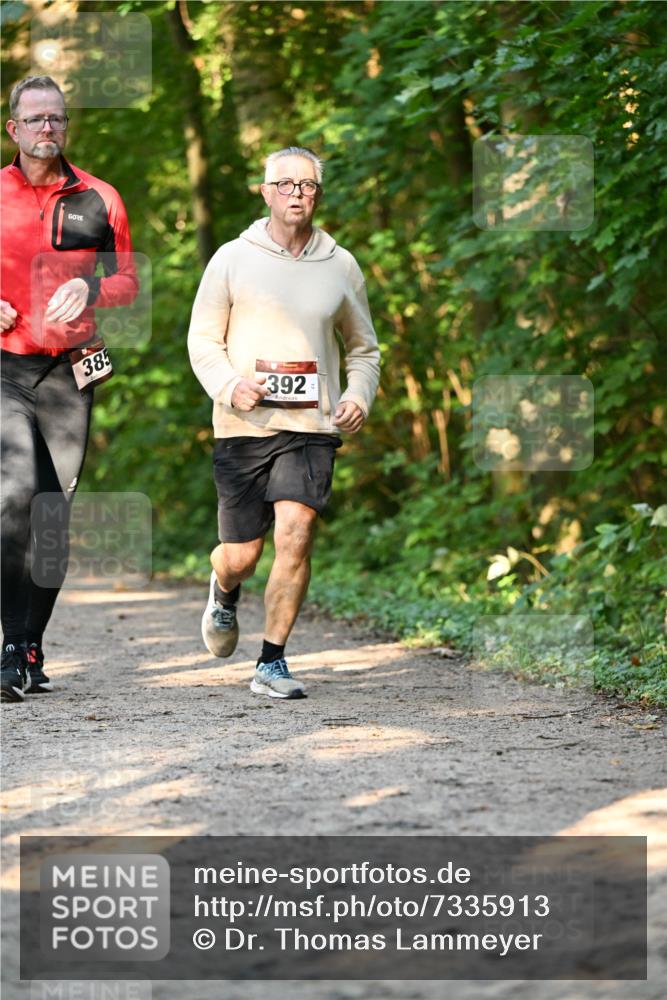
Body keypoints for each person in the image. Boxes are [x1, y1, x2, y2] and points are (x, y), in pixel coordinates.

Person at [188, 146, 380, 700]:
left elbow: (365, 348)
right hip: (243, 426)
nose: (297, 193)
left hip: (312, 426)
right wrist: (231, 386)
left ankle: (272, 662)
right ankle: (224, 587)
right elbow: (203, 341)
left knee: (296, 533)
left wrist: (359, 395)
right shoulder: (230, 258)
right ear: (266, 191)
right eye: (286, 184)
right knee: (243, 555)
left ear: (318, 194)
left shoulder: (340, 264)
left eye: (307, 185)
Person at [1, 76, 138, 703]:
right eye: (34, 120)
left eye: (55, 119)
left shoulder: (99, 198)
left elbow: (128, 282)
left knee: (53, 516)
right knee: (12, 500)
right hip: (5, 366)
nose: (46, 130)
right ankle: (7, 647)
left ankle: (31, 642)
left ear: (66, 126)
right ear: (13, 129)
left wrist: (94, 289)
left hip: (69, 372)